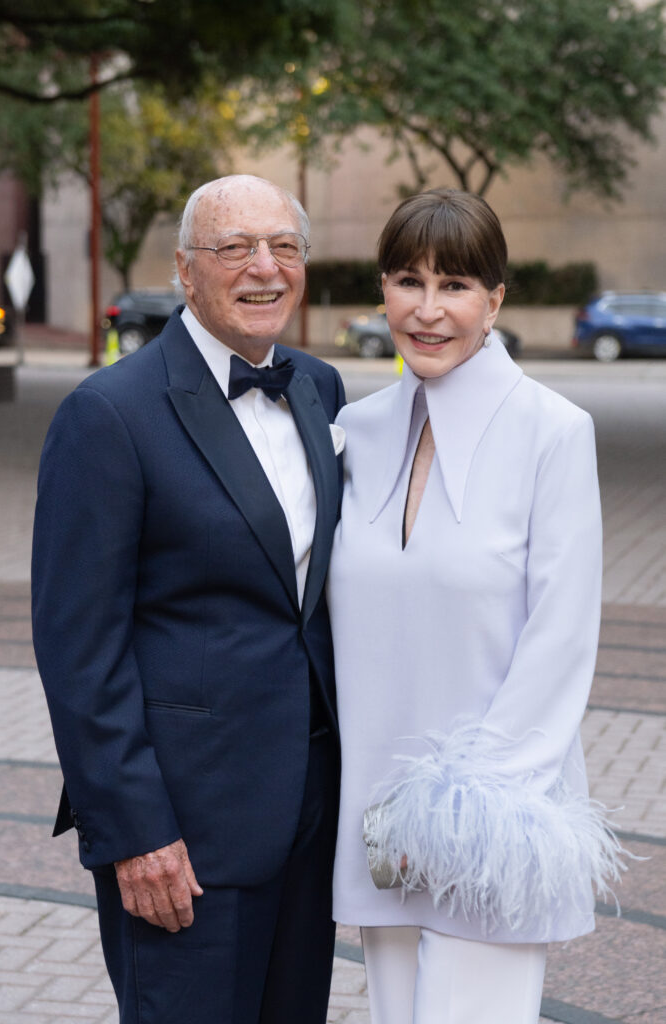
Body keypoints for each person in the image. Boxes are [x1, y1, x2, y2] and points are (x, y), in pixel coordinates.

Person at [32, 174, 346, 1024]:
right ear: (183, 268)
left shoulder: (318, 388)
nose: (264, 267)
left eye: (283, 246)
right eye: (234, 247)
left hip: (309, 814)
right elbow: (78, 651)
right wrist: (135, 832)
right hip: (184, 831)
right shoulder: (108, 414)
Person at [327, 188, 626, 1024]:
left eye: (453, 285)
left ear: (494, 301)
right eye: (407, 281)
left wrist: (462, 810)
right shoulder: (354, 430)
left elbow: (561, 639)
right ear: (382, 291)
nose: (427, 311)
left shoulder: (552, 432)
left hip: (493, 819)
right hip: (377, 813)